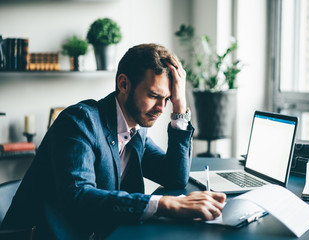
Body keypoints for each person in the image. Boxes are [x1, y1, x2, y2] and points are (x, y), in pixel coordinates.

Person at [1, 43, 226, 239]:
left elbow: (175, 176)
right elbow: (78, 196)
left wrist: (180, 107)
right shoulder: (80, 121)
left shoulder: (135, 131)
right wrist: (164, 204)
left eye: (167, 99)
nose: (160, 109)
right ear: (124, 84)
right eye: (154, 96)